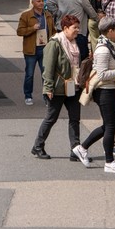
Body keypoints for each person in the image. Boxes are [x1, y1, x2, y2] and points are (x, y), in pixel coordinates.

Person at [72, 19, 115, 174]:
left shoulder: (110, 47)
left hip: (110, 89)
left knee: (108, 125)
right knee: (111, 125)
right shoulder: (103, 50)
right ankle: (109, 162)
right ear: (110, 31)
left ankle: (82, 148)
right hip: (104, 91)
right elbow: (102, 74)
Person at [31, 15, 84, 160]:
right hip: (57, 87)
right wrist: (48, 87)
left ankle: (75, 150)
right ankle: (38, 146)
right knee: (51, 118)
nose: (77, 31)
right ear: (65, 28)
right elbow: (47, 67)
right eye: (75, 28)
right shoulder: (54, 44)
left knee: (75, 118)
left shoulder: (74, 43)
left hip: (73, 86)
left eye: (78, 27)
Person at [17, 0, 55, 105]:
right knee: (29, 74)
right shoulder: (26, 16)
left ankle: (46, 96)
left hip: (45, 49)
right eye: (38, 1)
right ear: (33, 3)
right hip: (31, 50)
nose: (41, 3)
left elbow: (53, 31)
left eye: (42, 1)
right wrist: (32, 28)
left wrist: (53, 38)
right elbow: (20, 31)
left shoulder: (47, 15)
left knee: (46, 74)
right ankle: (28, 95)